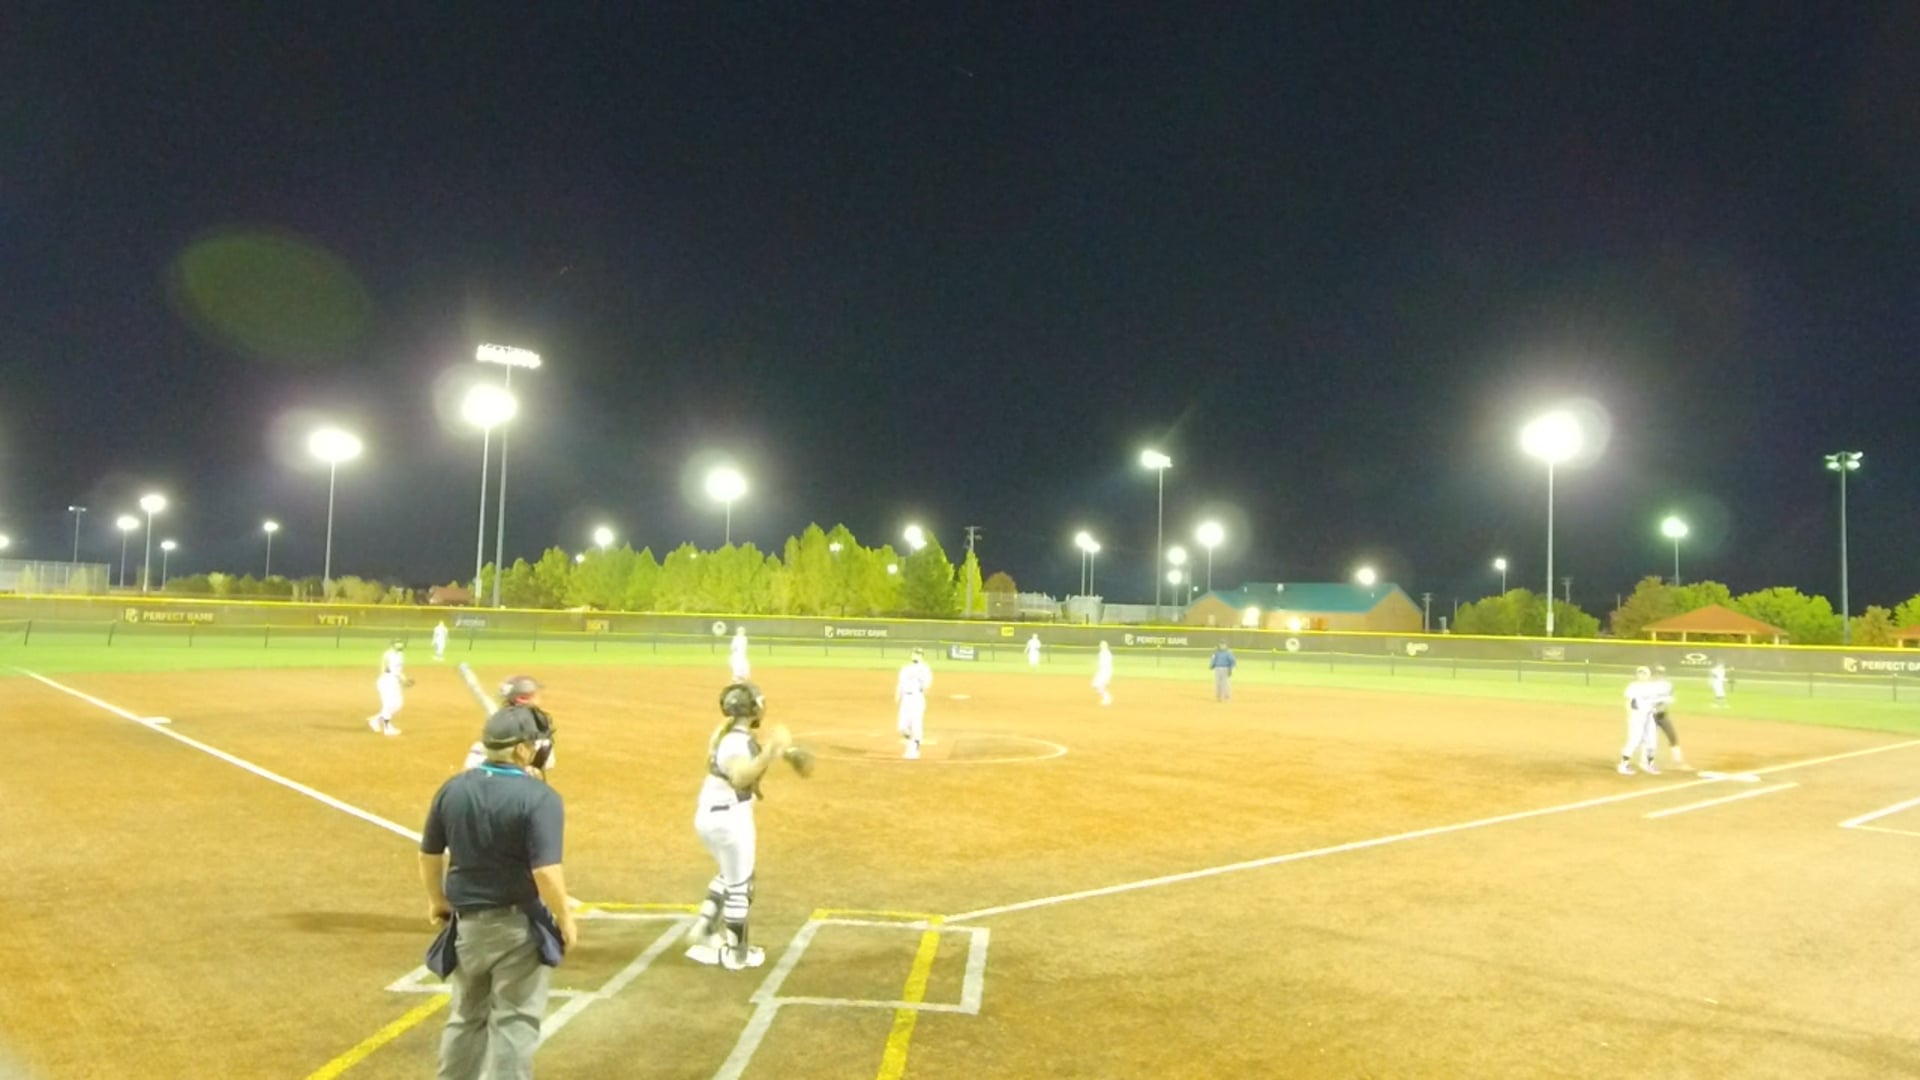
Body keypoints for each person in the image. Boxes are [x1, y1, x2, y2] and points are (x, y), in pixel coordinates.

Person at [420, 705, 577, 1079]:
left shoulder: (453, 788)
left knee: (465, 1018)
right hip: (516, 928)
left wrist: (437, 901)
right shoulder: (539, 798)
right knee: (514, 1022)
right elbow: (545, 870)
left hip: (466, 929)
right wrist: (566, 919)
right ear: (521, 750)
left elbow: (428, 853)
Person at [684, 681, 792, 971]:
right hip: (728, 822)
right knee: (740, 886)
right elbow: (741, 776)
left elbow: (748, 760)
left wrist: (786, 753)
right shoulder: (733, 741)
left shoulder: (729, 734)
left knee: (732, 874)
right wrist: (770, 751)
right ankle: (735, 955)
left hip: (716, 817)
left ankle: (705, 928)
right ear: (754, 708)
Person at [465, 676, 557, 774]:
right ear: (523, 698)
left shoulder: (491, 733)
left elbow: (470, 768)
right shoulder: (535, 733)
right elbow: (547, 762)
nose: (538, 699)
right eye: (535, 695)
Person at [1618, 666, 1662, 775]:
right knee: (1635, 740)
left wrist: (1655, 712)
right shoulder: (1633, 687)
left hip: (1649, 716)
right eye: (1640, 673)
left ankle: (1648, 764)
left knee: (1651, 741)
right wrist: (1631, 715)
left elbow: (1656, 703)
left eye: (1644, 673)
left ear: (1648, 675)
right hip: (1637, 716)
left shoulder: (1653, 688)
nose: (1642, 675)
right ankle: (1623, 765)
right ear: (1637, 675)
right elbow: (1629, 702)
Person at [1647, 665, 1693, 771]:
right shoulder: (1648, 685)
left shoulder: (1667, 685)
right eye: (1657, 673)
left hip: (1663, 715)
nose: (1659, 675)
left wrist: (1666, 701)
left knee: (1672, 737)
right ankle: (1647, 763)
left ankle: (1679, 763)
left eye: (1661, 673)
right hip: (1650, 716)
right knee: (1650, 740)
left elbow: (1672, 697)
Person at [895, 647, 935, 759]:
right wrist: (898, 694)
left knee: (916, 725)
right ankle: (911, 745)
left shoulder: (925, 669)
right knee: (902, 727)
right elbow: (900, 683)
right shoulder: (906, 668)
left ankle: (914, 750)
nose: (916, 655)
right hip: (905, 699)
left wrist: (919, 688)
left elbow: (926, 685)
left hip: (916, 698)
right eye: (915, 653)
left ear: (922, 656)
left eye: (918, 654)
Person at [367, 640, 410, 737]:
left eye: (400, 646)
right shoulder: (387, 655)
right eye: (397, 646)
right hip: (386, 682)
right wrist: (397, 678)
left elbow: (399, 671)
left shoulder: (401, 655)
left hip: (394, 682)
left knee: (398, 704)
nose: (400, 648)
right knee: (388, 705)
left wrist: (404, 680)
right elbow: (386, 670)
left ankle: (375, 720)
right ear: (392, 646)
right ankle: (387, 728)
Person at [1093, 641, 1114, 706]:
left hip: (1106, 672)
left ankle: (1107, 698)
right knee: (1095, 685)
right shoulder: (1101, 652)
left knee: (1098, 685)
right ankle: (1106, 696)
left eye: (1103, 645)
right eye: (1101, 645)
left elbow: (1105, 664)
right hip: (1101, 671)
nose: (1101, 646)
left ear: (1106, 646)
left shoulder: (1107, 653)